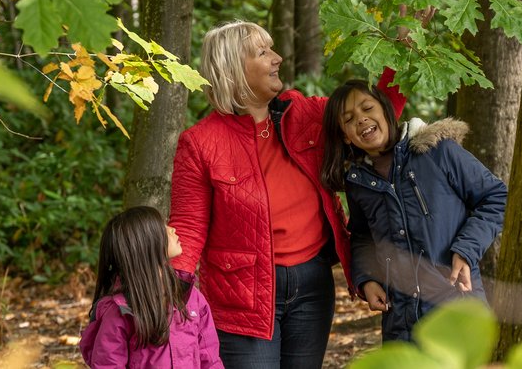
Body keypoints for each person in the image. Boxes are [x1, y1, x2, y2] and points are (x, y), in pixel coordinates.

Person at [168, 21, 405, 368]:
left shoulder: (305, 114)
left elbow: (375, 119)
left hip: (313, 284)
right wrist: (171, 298)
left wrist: (402, 48)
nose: (277, 58)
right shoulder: (201, 142)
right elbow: (188, 228)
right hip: (242, 294)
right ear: (233, 69)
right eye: (263, 52)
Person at [320, 80, 507, 342]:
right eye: (349, 119)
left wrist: (466, 250)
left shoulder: (438, 151)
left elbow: (496, 197)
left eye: (367, 108)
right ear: (344, 135)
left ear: (386, 110)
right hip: (402, 323)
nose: (361, 120)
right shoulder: (358, 182)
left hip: (458, 309)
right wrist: (366, 280)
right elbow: (362, 236)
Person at [79, 206, 223, 368]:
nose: (172, 229)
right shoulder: (119, 311)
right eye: (163, 227)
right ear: (145, 244)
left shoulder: (191, 298)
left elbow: (210, 360)